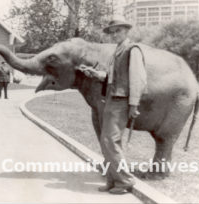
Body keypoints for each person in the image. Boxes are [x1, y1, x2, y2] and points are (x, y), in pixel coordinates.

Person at [77, 16, 147, 194]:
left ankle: (125, 181)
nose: (114, 34)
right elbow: (113, 78)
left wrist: (133, 105)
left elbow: (138, 79)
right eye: (112, 32)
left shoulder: (133, 50)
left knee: (110, 140)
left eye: (118, 31)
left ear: (126, 31)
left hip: (121, 101)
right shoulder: (117, 51)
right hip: (110, 98)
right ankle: (112, 180)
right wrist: (96, 74)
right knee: (106, 140)